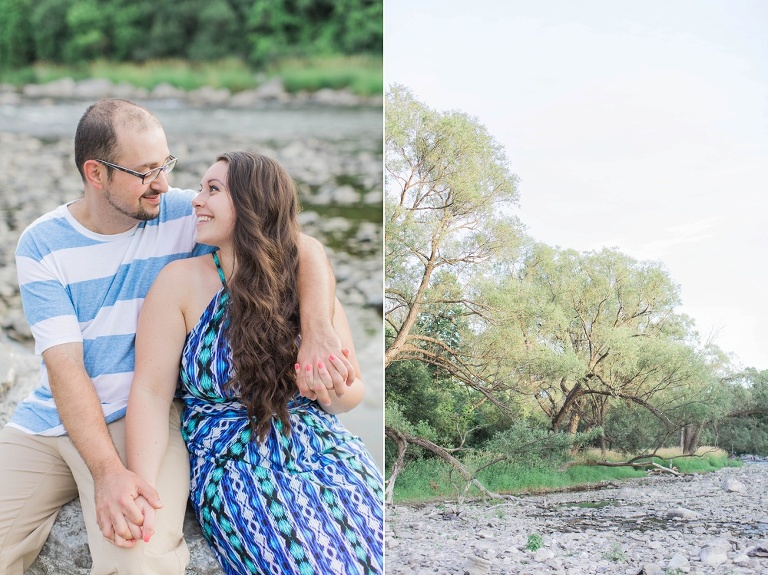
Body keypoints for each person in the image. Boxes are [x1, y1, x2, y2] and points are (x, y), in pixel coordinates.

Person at [0, 99, 353, 574]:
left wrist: (318, 329)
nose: (163, 184)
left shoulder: (182, 213)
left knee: (138, 555)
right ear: (96, 173)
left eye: (165, 165)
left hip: (140, 418)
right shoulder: (43, 244)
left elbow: (298, 244)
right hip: (52, 420)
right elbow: (64, 370)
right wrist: (106, 473)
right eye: (146, 171)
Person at [121, 151, 383, 575]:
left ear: (253, 203)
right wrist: (142, 484)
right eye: (201, 189)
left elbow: (350, 398)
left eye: (213, 190)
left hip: (321, 448)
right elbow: (151, 393)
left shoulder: (304, 284)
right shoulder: (180, 283)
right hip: (233, 461)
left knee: (371, 552)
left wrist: (325, 382)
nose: (196, 200)